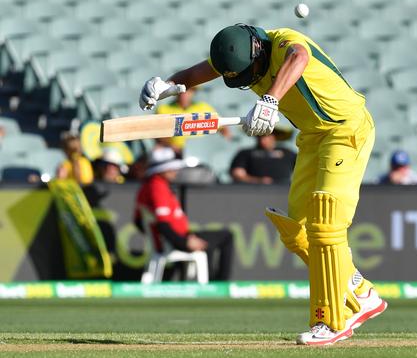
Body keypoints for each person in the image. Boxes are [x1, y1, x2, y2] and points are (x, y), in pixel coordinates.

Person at [138, 24, 386, 345]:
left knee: (325, 225)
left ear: (258, 49)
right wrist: (170, 84)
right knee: (297, 231)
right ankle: (359, 291)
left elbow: (300, 56)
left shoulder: (285, 43)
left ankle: (331, 320)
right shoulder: (242, 52)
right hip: (312, 137)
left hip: (345, 130)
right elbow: (203, 70)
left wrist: (270, 99)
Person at [134, 147, 234, 281]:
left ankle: (212, 282)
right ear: (162, 169)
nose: (176, 171)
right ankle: (219, 285)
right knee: (226, 236)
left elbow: (139, 222)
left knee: (208, 240)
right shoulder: (157, 187)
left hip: (175, 238)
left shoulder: (150, 186)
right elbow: (162, 224)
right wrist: (184, 242)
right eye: (172, 168)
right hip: (175, 240)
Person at [156, 86, 231, 154]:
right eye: (181, 91)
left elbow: (223, 127)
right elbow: (158, 135)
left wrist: (223, 145)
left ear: (194, 92)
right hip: (175, 153)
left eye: (189, 91)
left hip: (203, 151)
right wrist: (171, 146)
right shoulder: (163, 109)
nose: (184, 94)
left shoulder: (204, 107)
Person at [230, 128, 296, 184]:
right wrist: (259, 181)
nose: (263, 139)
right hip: (253, 191)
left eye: (267, 135)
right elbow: (237, 174)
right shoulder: (246, 153)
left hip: (283, 191)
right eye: (260, 136)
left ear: (274, 136)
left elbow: (302, 170)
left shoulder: (288, 153)